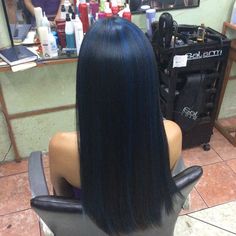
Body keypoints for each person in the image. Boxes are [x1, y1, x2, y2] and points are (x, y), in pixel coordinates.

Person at [49, 17, 182, 234]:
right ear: (148, 80)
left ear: (87, 83)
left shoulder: (62, 148)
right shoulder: (173, 135)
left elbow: (63, 205)